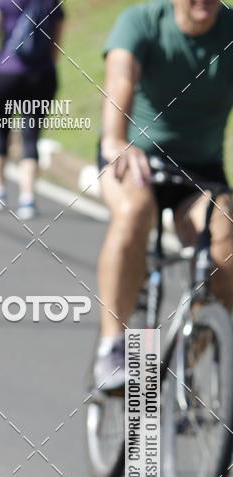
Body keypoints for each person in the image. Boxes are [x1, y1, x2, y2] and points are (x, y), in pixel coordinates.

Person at [94, 0, 233, 391]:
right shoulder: (141, 22)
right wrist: (116, 139)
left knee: (226, 253)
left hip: (200, 173)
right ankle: (113, 346)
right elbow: (121, 79)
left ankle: (185, 365)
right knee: (134, 213)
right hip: (137, 160)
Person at [0, 0, 65, 219]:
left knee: (1, 130)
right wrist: (45, 68)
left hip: (7, 74)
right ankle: (28, 199)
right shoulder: (52, 2)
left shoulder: (2, 2)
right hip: (42, 77)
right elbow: (56, 43)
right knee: (31, 136)